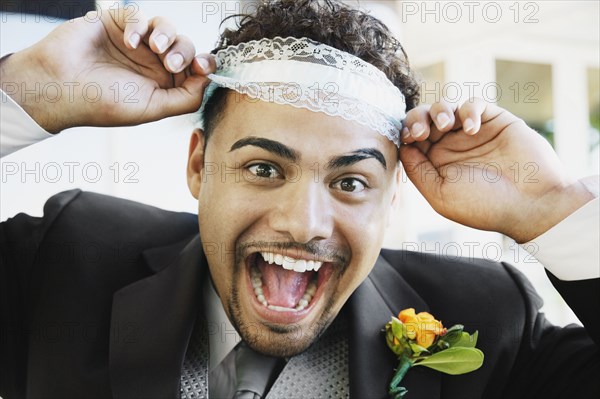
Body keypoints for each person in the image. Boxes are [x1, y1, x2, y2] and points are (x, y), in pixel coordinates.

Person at [0, 1, 598, 398]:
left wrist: (554, 210)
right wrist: (24, 95)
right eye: (263, 167)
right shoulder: (66, 253)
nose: (304, 224)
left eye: (350, 182)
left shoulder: (492, 318)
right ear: (198, 165)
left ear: (391, 200)